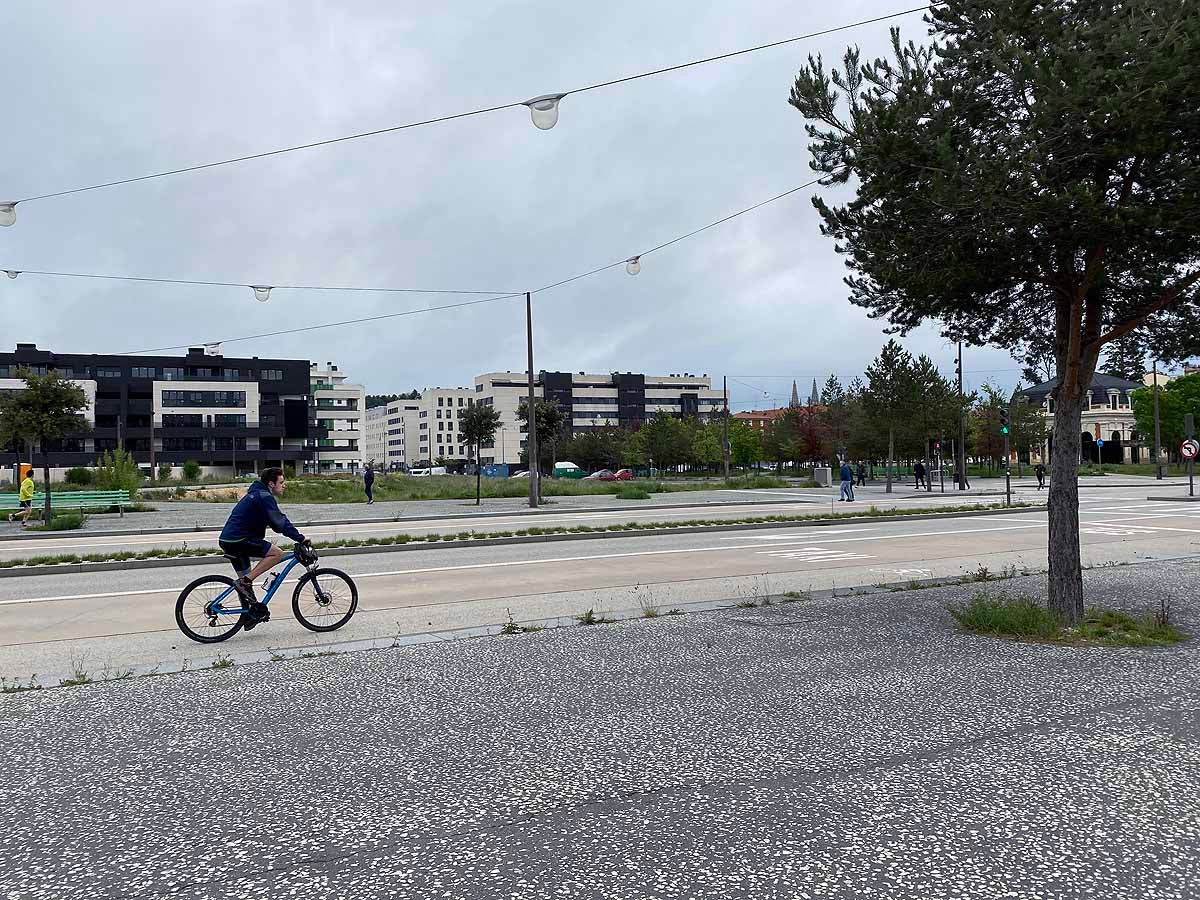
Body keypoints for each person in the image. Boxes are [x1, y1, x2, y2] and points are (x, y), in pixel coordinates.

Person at [218, 467, 309, 628]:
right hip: (239, 540)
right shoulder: (264, 496)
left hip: (228, 540)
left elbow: (275, 523)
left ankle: (250, 615)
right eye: (281, 482)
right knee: (277, 554)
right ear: (271, 483)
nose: (284, 485)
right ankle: (245, 582)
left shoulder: (257, 493)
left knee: (246, 587)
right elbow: (280, 523)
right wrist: (301, 538)